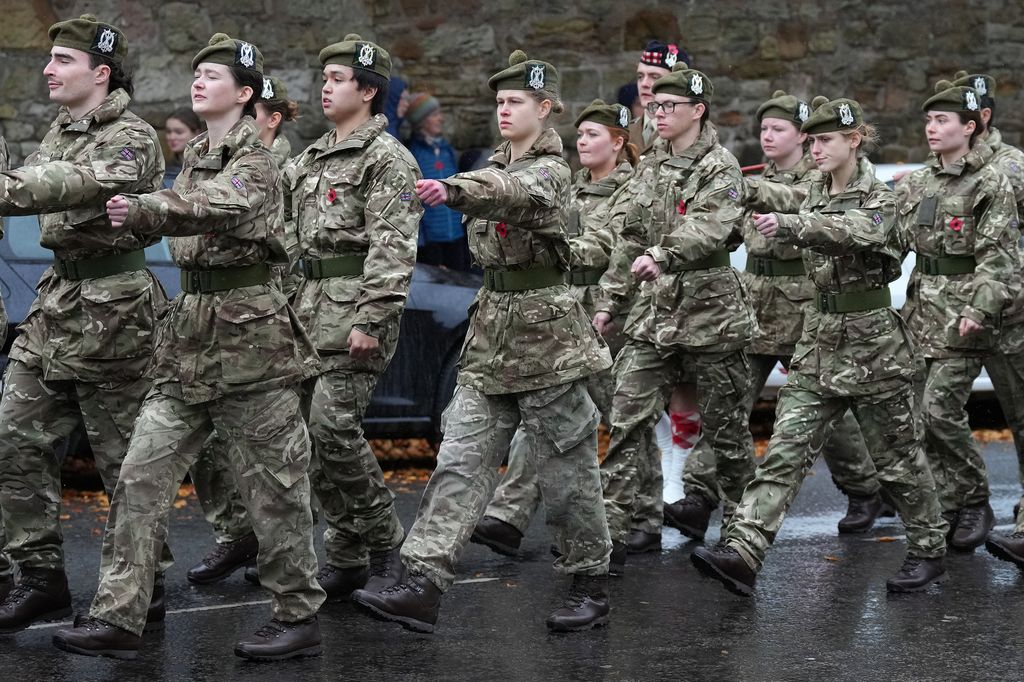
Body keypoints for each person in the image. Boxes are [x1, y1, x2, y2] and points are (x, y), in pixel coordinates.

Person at [52, 32, 325, 661]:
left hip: (253, 344)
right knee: (139, 476)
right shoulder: (195, 151)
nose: (198, 82)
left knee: (275, 490)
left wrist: (148, 209)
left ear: (245, 93)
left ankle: (296, 613)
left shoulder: (254, 157)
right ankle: (120, 614)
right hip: (190, 340)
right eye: (195, 73)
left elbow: (217, 206)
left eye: (212, 75)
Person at [351, 49, 613, 634]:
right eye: (499, 101)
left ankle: (588, 580)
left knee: (566, 472)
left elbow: (510, 193)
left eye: (516, 100)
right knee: (460, 460)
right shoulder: (492, 163)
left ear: (545, 109)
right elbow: (493, 183)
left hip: (549, 341)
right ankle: (422, 581)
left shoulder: (550, 170)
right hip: (492, 334)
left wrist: (455, 190)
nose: (504, 109)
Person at [692, 96, 948, 596]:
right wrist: (730, 185)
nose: (815, 148)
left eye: (826, 139)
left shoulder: (882, 197)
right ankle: (744, 550)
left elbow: (849, 231)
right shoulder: (810, 185)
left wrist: (791, 225)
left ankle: (929, 549)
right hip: (819, 338)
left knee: (897, 460)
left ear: (854, 140)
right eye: (810, 140)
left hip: (873, 344)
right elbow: (772, 192)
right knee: (785, 451)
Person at [0, 14, 167, 634]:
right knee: (15, 441)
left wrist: (9, 186)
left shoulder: (134, 137)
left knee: (124, 463)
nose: (48, 69)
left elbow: (69, 185)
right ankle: (38, 576)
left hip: (114, 310)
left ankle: (140, 587)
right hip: (57, 302)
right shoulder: (58, 130)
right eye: (49, 59)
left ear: (100, 73)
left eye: (62, 61)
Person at [680, 89, 890, 537]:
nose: (768, 137)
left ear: (803, 136)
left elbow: (788, 201)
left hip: (803, 306)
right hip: (755, 302)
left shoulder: (817, 179)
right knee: (729, 401)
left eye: (779, 129)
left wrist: (742, 187)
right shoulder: (764, 173)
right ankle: (699, 495)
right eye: (764, 129)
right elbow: (730, 233)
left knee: (823, 413)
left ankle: (864, 488)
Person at [592, 62, 757, 567]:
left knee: (726, 431)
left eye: (669, 107)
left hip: (711, 313)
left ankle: (740, 533)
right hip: (654, 315)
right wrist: (609, 302)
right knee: (627, 416)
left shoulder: (721, 167)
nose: (658, 114)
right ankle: (625, 526)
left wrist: (662, 255)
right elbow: (630, 240)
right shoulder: (652, 165)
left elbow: (710, 227)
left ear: (698, 111)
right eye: (654, 107)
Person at [470, 99, 643, 561]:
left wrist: (605, 301)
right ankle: (509, 516)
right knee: (549, 416)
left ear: (619, 142)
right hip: (564, 309)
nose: (581, 142)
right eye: (579, 134)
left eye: (592, 135)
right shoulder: (572, 185)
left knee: (625, 418)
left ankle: (633, 516)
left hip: (614, 312)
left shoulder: (633, 190)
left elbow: (621, 251)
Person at [285, 34, 421, 603]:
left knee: (332, 430)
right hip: (304, 314)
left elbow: (393, 247)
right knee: (310, 442)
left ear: (367, 92)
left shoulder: (388, 160)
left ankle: (388, 543)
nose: (326, 87)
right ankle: (347, 554)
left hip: (352, 314)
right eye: (324, 79)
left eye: (338, 80)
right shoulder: (311, 157)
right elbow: (291, 240)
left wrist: (372, 317)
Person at [184, 73, 302, 587]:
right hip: (208, 319)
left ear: (268, 117)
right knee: (211, 446)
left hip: (269, 316)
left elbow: (296, 246)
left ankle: (299, 571)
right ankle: (240, 537)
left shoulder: (281, 168)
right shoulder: (204, 158)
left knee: (276, 453)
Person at [897, 81, 1019, 552]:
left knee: (954, 410)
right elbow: (889, 239)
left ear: (973, 126)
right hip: (929, 316)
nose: (931, 128)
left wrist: (980, 307)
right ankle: (957, 501)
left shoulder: (998, 177)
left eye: (942, 120)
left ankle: (976, 502)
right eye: (928, 120)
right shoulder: (920, 182)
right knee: (926, 413)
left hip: (986, 314)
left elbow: (999, 253)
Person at [405, 93, 471, 271]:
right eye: (435, 115)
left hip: (457, 237)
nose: (441, 119)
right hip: (433, 244)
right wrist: (425, 247)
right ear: (421, 121)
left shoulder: (446, 150)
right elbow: (412, 203)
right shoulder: (413, 155)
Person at [630, 40, 691, 155]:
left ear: (676, 84)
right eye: (640, 76)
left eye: (655, 77)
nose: (644, 83)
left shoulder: (689, 133)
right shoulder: (624, 132)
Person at [162, 106, 203, 188]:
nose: (172, 137)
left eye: (179, 132)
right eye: (169, 132)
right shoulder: (163, 169)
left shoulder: (208, 166)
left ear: (197, 133)